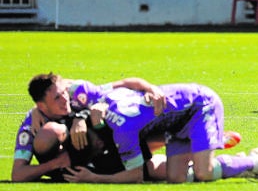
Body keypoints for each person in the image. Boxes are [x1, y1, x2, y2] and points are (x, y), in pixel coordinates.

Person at [58, 79, 258, 183]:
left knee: (203, 172)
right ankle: (228, 161)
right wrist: (80, 116)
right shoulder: (102, 100)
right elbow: (66, 84)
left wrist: (94, 178)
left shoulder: (121, 132)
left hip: (199, 105)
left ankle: (253, 162)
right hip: (176, 123)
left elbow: (136, 175)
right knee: (176, 178)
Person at [11, 73, 166, 182]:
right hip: (80, 163)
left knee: (144, 144)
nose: (65, 99)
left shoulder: (79, 93)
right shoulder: (30, 126)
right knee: (48, 134)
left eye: (64, 92)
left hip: (110, 140)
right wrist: (56, 163)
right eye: (57, 98)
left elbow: (126, 83)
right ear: (41, 106)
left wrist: (153, 90)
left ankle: (177, 140)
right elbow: (17, 175)